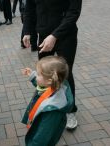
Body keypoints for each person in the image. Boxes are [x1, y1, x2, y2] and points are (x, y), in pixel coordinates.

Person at [22, 0, 82, 130]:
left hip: (66, 35)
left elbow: (73, 12)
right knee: (44, 73)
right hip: (43, 33)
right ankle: (47, 107)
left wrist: (54, 36)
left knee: (65, 74)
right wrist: (27, 31)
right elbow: (30, 9)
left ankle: (70, 111)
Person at [21, 56, 74, 146]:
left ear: (50, 81)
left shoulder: (52, 111)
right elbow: (43, 87)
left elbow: (41, 138)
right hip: (38, 122)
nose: (36, 75)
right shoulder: (56, 85)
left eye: (38, 74)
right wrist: (33, 76)